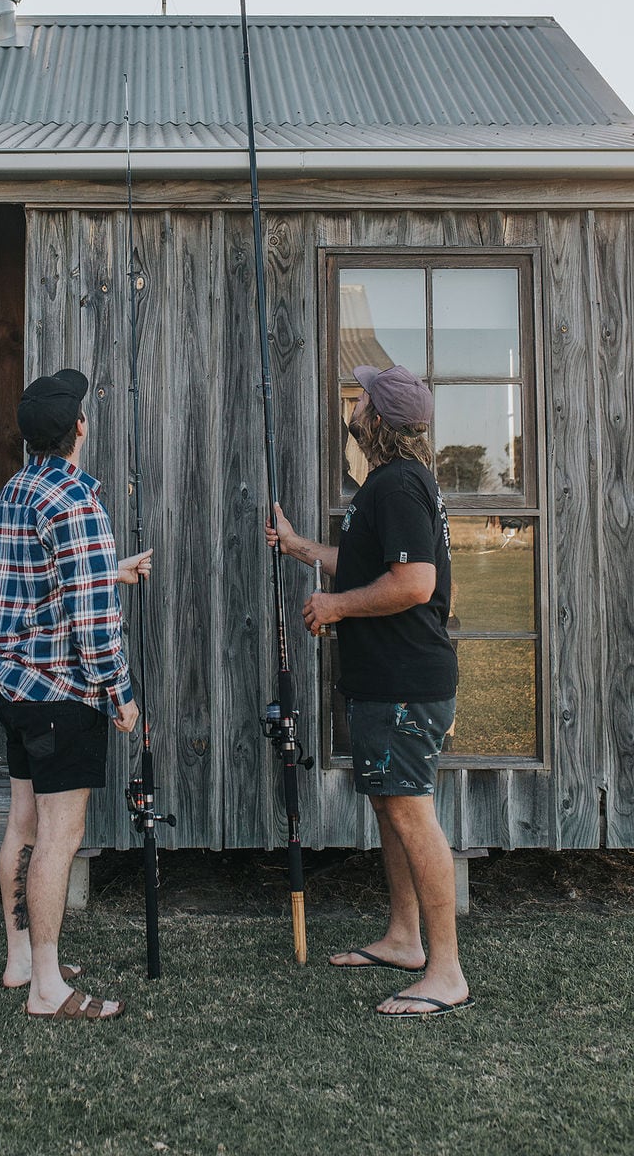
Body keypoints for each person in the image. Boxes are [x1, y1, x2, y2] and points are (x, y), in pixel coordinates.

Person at [266, 363, 474, 1019]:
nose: (352, 405)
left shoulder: (400, 487)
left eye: (360, 400)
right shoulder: (386, 485)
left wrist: (337, 608)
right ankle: (405, 940)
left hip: (405, 683)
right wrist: (302, 549)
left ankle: (445, 973)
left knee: (411, 814)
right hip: (386, 681)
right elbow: (369, 563)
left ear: (377, 420)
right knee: (390, 810)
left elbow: (414, 585)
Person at [0, 368, 150, 1021]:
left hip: (16, 684)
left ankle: (22, 958)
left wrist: (110, 569)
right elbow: (90, 622)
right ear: (78, 428)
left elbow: (42, 584)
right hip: (62, 691)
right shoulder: (78, 500)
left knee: (22, 826)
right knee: (59, 836)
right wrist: (121, 692)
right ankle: (48, 991)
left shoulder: (17, 490)